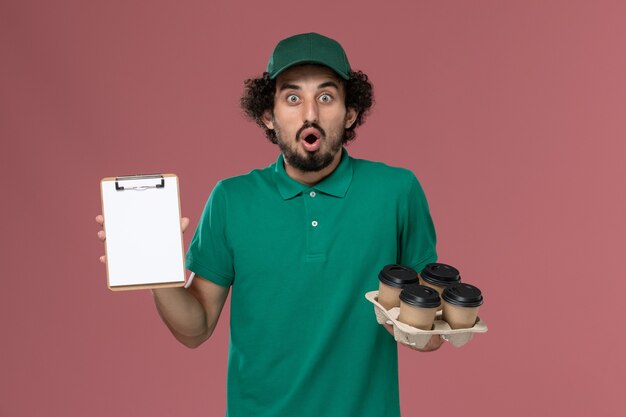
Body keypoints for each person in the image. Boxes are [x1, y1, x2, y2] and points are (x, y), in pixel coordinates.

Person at [96, 32, 440, 417]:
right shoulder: (231, 199)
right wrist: (156, 271)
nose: (310, 113)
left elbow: (429, 330)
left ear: (350, 112)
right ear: (268, 115)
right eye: (292, 98)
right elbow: (195, 329)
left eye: (326, 97)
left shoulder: (397, 191)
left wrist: (425, 329)